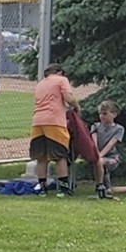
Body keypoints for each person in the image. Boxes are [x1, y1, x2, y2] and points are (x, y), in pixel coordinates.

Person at [30, 62, 79, 195]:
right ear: (59, 72)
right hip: (54, 121)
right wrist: (76, 106)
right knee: (60, 155)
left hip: (38, 121)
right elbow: (68, 98)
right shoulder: (61, 80)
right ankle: (62, 189)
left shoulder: (41, 83)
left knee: (41, 157)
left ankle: (42, 188)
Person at [91, 100, 125, 198]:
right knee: (109, 190)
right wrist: (96, 155)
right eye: (100, 113)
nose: (102, 116)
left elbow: (111, 144)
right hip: (98, 156)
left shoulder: (119, 129)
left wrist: (99, 157)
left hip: (112, 158)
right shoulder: (95, 126)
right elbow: (94, 142)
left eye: (105, 114)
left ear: (114, 114)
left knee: (99, 162)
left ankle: (99, 187)